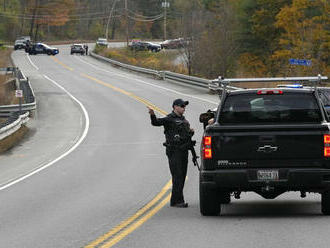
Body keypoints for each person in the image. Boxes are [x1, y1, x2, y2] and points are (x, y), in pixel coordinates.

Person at [147, 99, 194, 208]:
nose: (184, 108)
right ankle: (178, 201)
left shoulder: (183, 120)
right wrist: (152, 115)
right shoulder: (169, 118)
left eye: (184, 106)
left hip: (183, 150)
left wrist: (190, 132)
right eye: (182, 106)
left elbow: (185, 135)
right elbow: (156, 123)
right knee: (177, 176)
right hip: (174, 151)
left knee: (182, 176)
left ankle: (175, 200)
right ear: (175, 107)